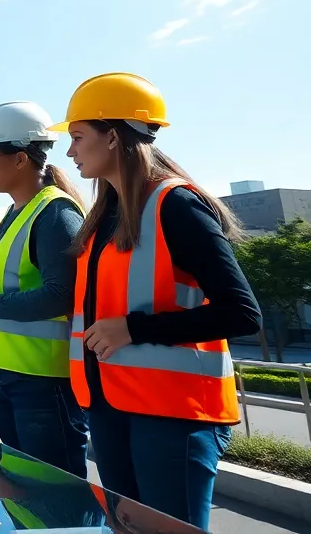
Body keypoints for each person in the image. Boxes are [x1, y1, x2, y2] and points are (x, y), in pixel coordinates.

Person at [56, 72, 261, 530]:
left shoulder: (175, 205)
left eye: (76, 137)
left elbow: (242, 312)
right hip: (111, 408)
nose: (69, 152)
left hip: (172, 416)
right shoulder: (103, 218)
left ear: (112, 136)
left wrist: (133, 328)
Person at [0, 101, 89, 478]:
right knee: (21, 484)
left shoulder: (55, 213)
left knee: (52, 488)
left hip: (44, 382)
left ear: (19, 159)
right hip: (7, 377)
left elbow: (62, 293)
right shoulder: (15, 214)